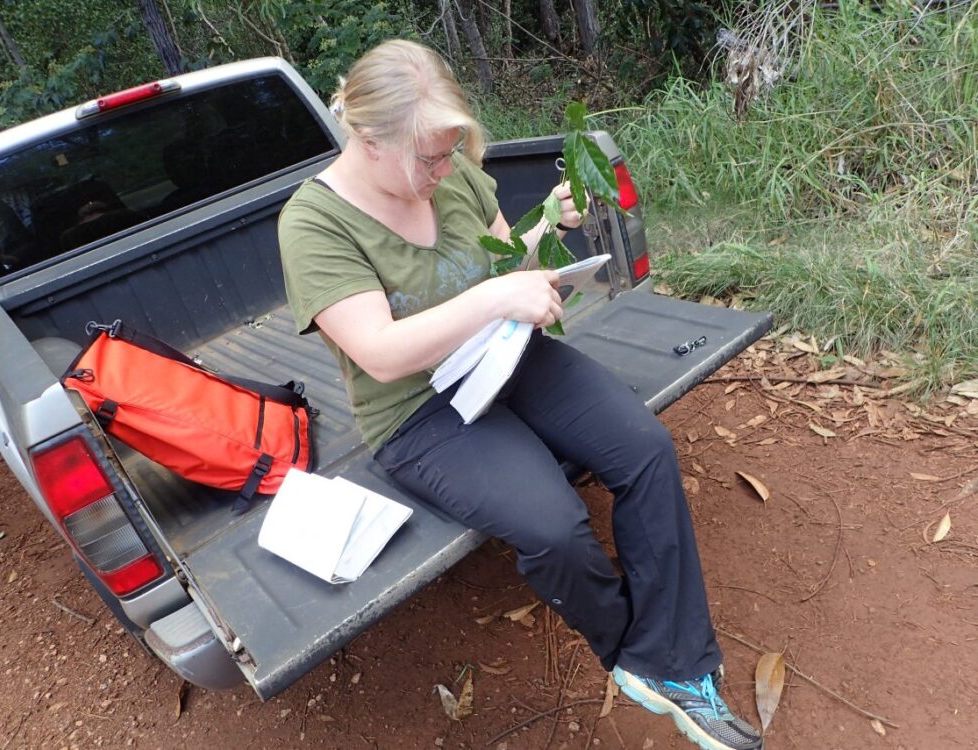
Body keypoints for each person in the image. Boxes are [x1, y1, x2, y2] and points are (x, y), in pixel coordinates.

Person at [278, 39, 762, 750]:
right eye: (429, 158)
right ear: (367, 137)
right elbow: (380, 355)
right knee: (554, 528)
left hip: (503, 354)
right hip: (417, 409)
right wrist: (495, 298)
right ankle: (634, 649)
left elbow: (506, 262)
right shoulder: (313, 224)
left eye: (451, 154)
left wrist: (547, 229)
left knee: (646, 449)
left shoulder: (455, 178)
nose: (444, 172)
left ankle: (671, 666)